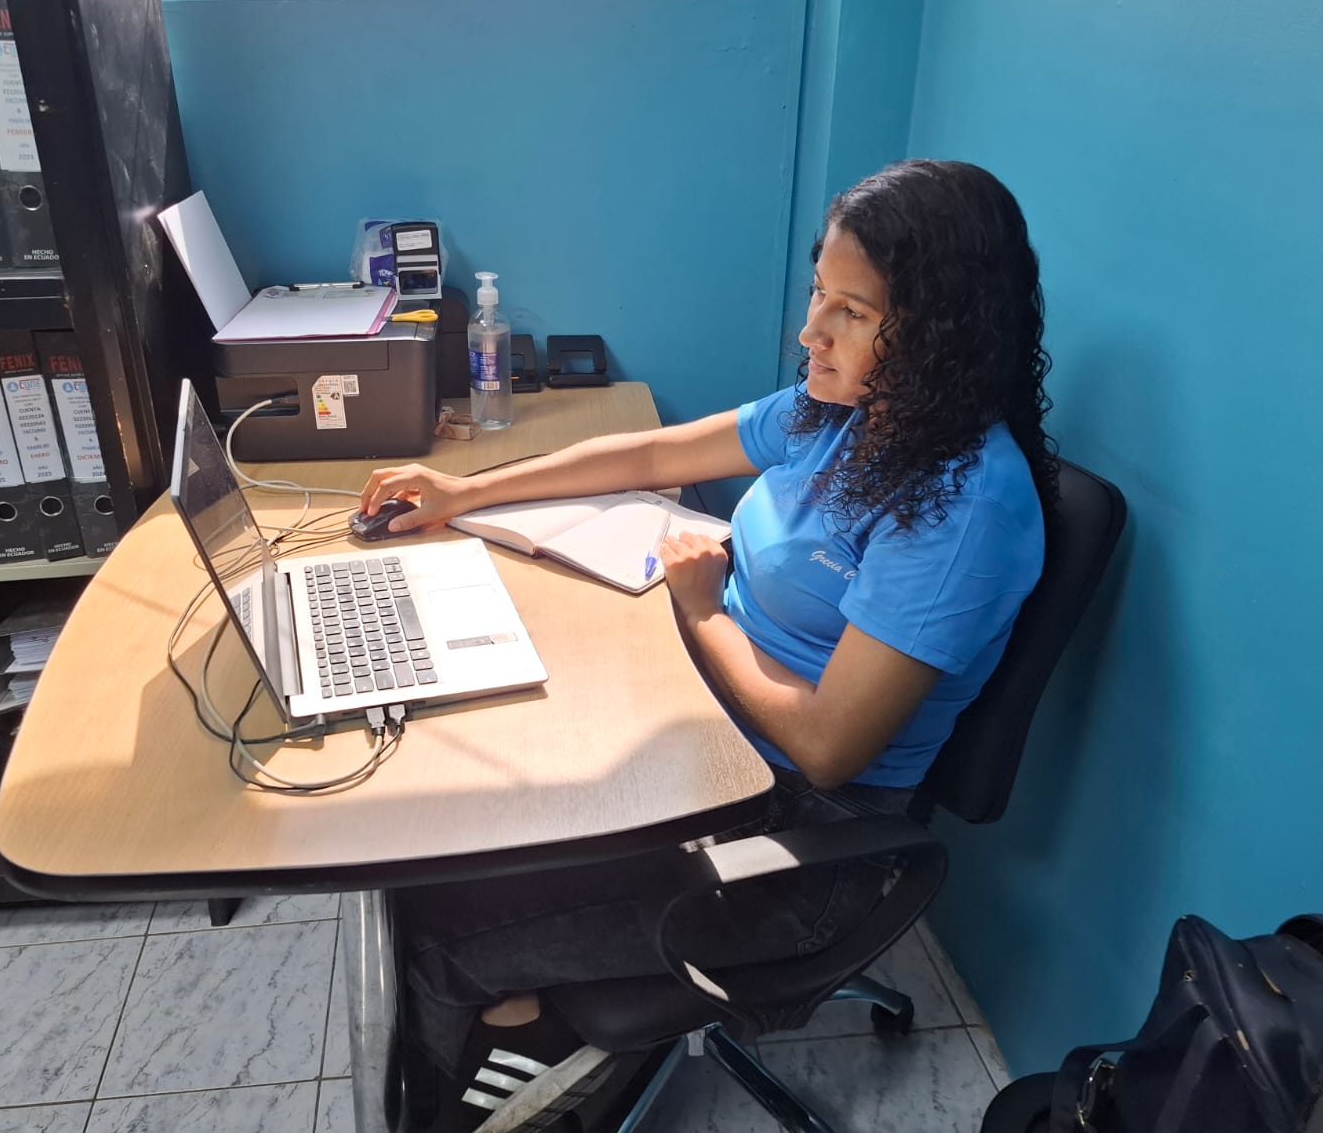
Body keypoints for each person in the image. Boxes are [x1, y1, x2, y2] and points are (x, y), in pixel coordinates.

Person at [357, 159, 1057, 1132]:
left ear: (942, 329)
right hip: (704, 739)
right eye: (818, 293)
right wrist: (465, 493)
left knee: (434, 933)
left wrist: (701, 612)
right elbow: (656, 452)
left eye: (852, 311)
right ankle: (532, 1020)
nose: (811, 331)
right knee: (426, 835)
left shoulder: (960, 509)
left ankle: (467, 1086)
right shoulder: (845, 415)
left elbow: (829, 747)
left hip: (798, 840)